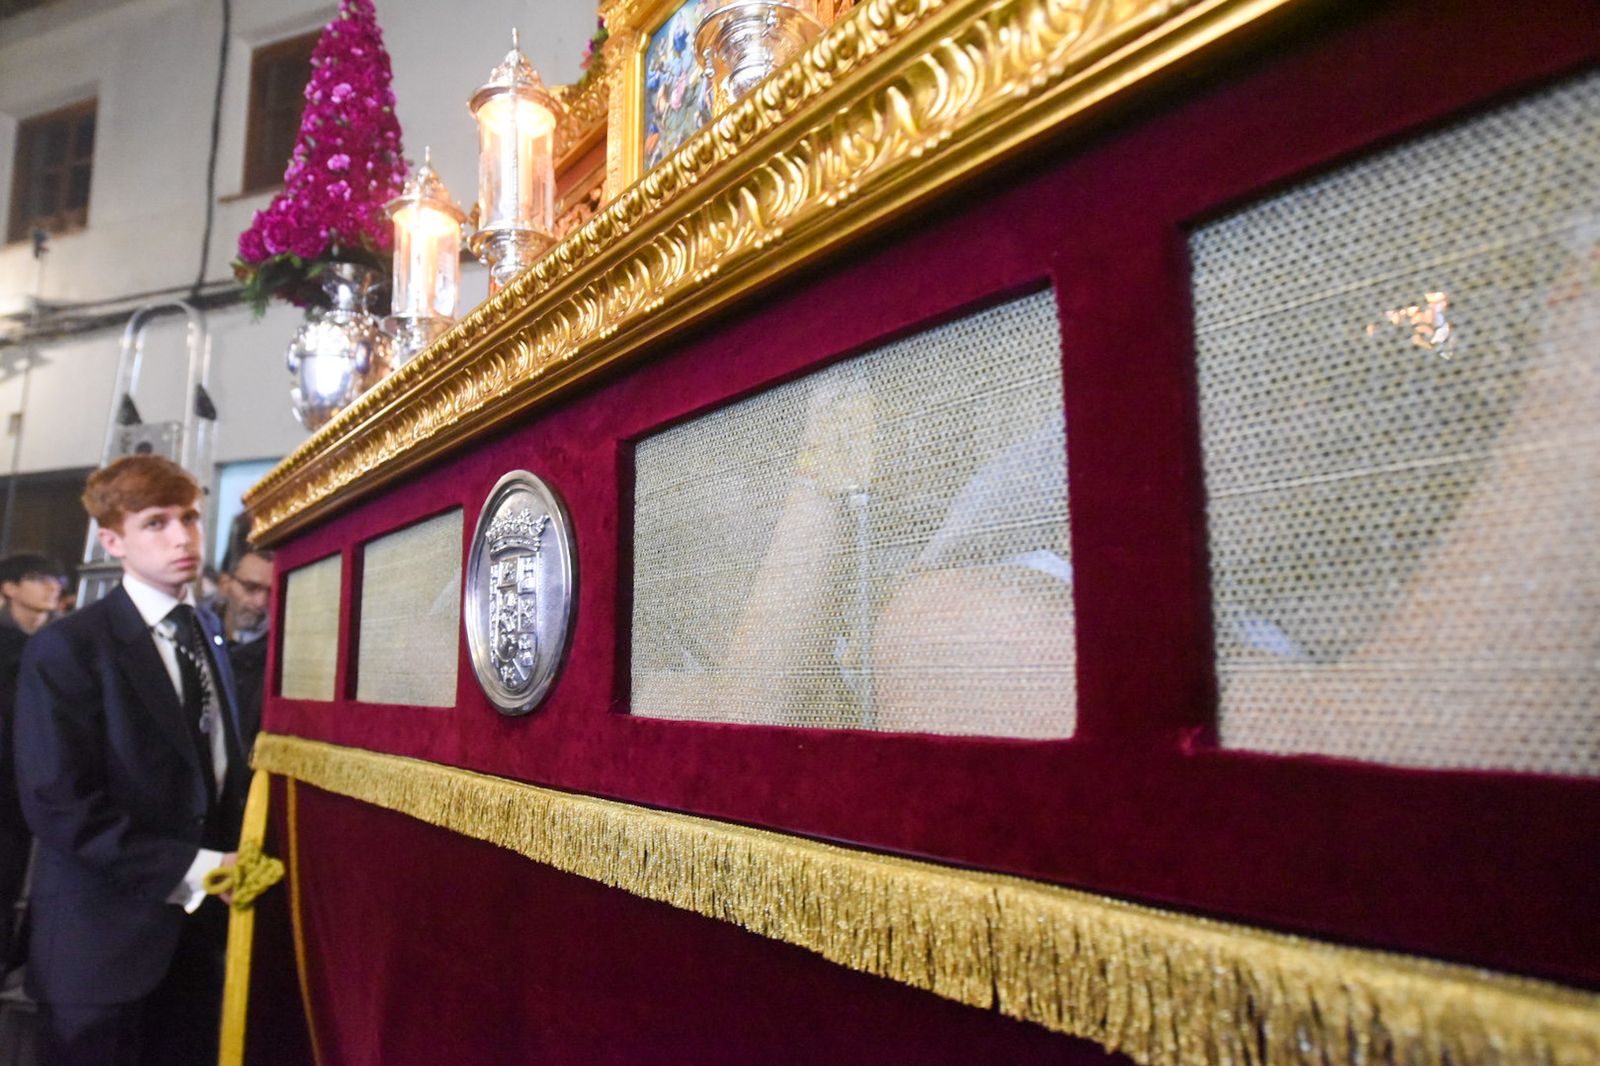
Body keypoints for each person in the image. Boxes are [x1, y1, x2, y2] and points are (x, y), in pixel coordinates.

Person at [13, 455, 246, 1065]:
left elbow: (216, 773)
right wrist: (201, 869)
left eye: (189, 517)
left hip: (197, 946)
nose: (182, 537)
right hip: (101, 950)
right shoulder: (69, 645)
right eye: (156, 523)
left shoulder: (206, 631)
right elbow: (59, 804)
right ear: (112, 541)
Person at [0, 553, 67, 968]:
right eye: (39, 578)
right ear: (9, 587)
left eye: (57, 579)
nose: (52, 586)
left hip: (38, 784)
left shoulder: (60, 644)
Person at [215, 546, 273, 752]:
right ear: (225, 585)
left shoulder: (278, 657)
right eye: (251, 587)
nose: (261, 602)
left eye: (271, 592)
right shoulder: (195, 636)